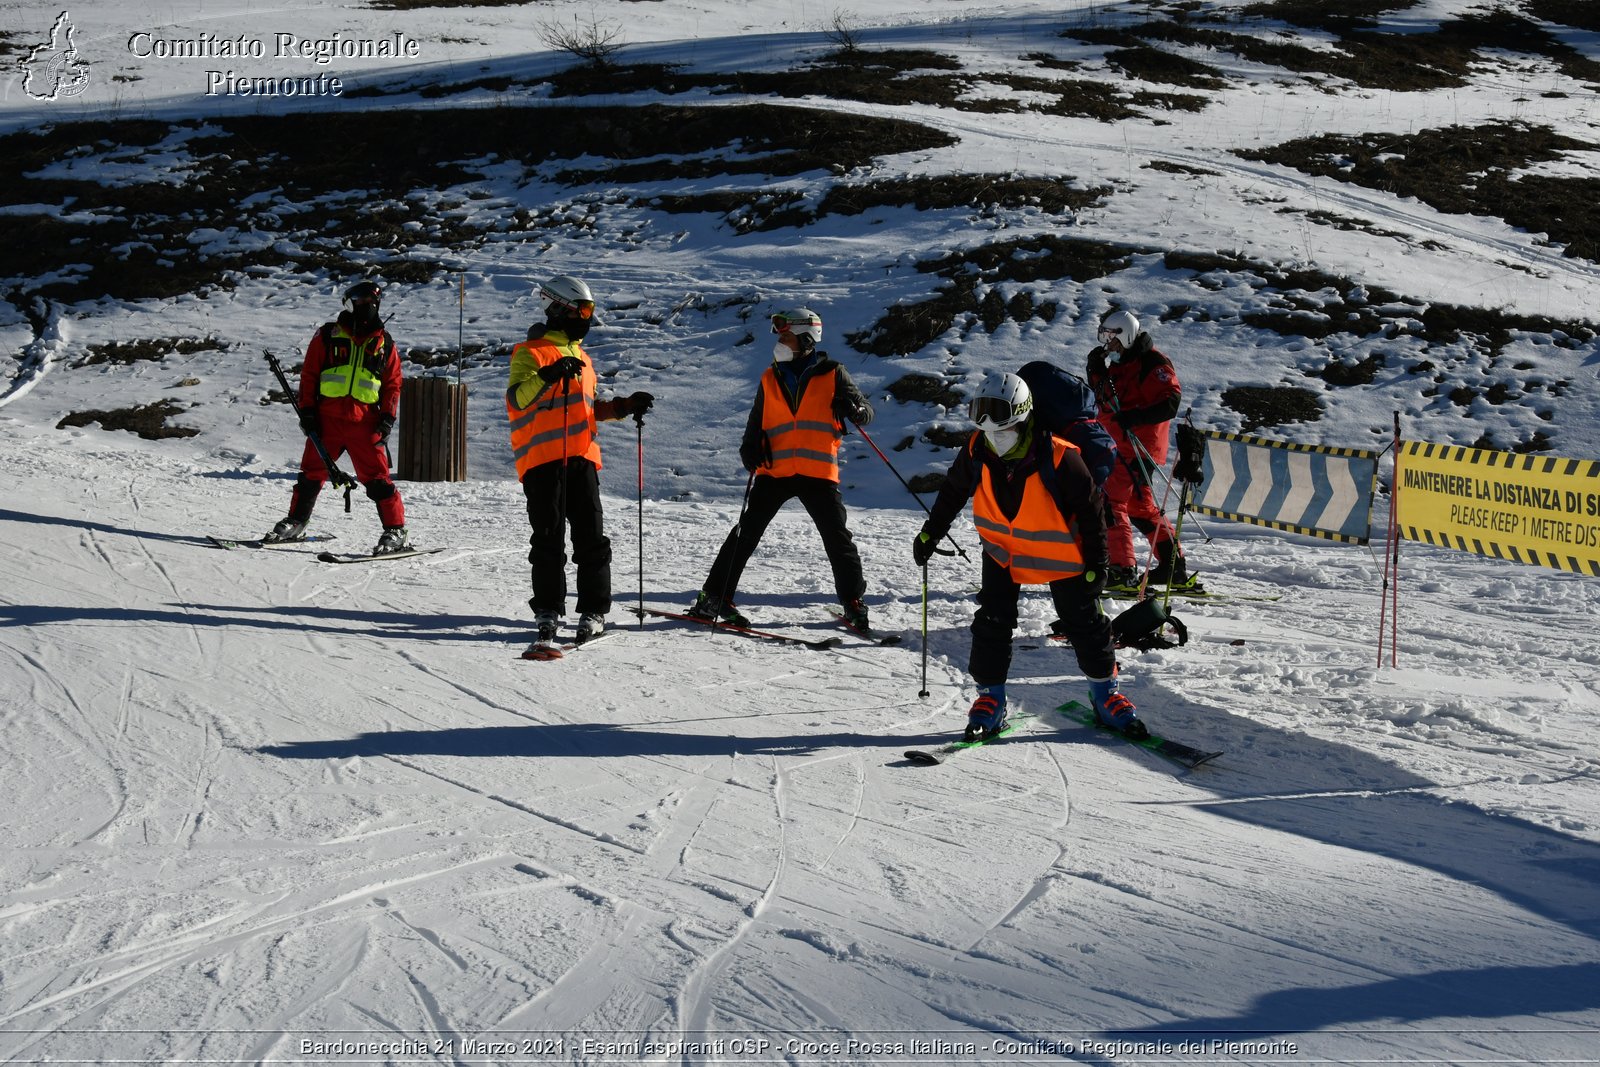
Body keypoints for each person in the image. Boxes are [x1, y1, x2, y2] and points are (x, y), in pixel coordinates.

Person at [912, 371, 1146, 742]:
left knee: (1083, 622)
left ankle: (1105, 695)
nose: (986, 422)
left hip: (1061, 555)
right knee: (992, 619)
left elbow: (1091, 509)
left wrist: (1100, 561)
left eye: (996, 411)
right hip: (1003, 552)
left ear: (1020, 412)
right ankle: (991, 698)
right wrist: (931, 532)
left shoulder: (1060, 457)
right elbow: (954, 491)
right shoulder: (977, 448)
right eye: (979, 411)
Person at [687, 307, 876, 632]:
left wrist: (855, 409)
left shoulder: (833, 373)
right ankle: (713, 598)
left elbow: (866, 412)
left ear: (806, 338)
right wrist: (749, 449)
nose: (780, 341)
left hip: (817, 473)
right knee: (744, 535)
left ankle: (854, 604)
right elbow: (756, 421)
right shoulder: (770, 376)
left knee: (837, 539)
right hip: (774, 472)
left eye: (786, 336)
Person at [507, 275, 653, 644]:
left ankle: (594, 610)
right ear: (557, 309)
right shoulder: (531, 352)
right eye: (582, 310)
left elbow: (587, 410)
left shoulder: (582, 358)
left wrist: (622, 407)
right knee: (549, 540)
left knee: (591, 540)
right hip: (542, 462)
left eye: (590, 310)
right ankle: (548, 609)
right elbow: (518, 400)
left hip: (582, 459)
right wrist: (548, 374)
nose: (587, 318)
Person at [264, 280, 410, 555]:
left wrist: (388, 417)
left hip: (366, 422)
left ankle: (396, 530)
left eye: (371, 302)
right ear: (349, 304)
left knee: (378, 479)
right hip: (326, 420)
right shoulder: (328, 335)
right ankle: (297, 521)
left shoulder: (384, 343)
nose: (366, 307)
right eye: (361, 301)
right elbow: (310, 374)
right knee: (311, 474)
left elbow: (393, 384)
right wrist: (307, 411)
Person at [1084, 309, 1189, 588]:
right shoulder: (1120, 364)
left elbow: (1170, 402)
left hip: (1136, 446)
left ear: (1127, 335)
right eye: (1105, 339)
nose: (1108, 345)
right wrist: (1095, 371)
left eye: (1112, 339)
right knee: (1140, 508)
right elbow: (1106, 398)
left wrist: (1136, 417)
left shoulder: (1152, 362)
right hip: (1119, 442)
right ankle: (1173, 568)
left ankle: (1121, 569)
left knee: (1110, 502)